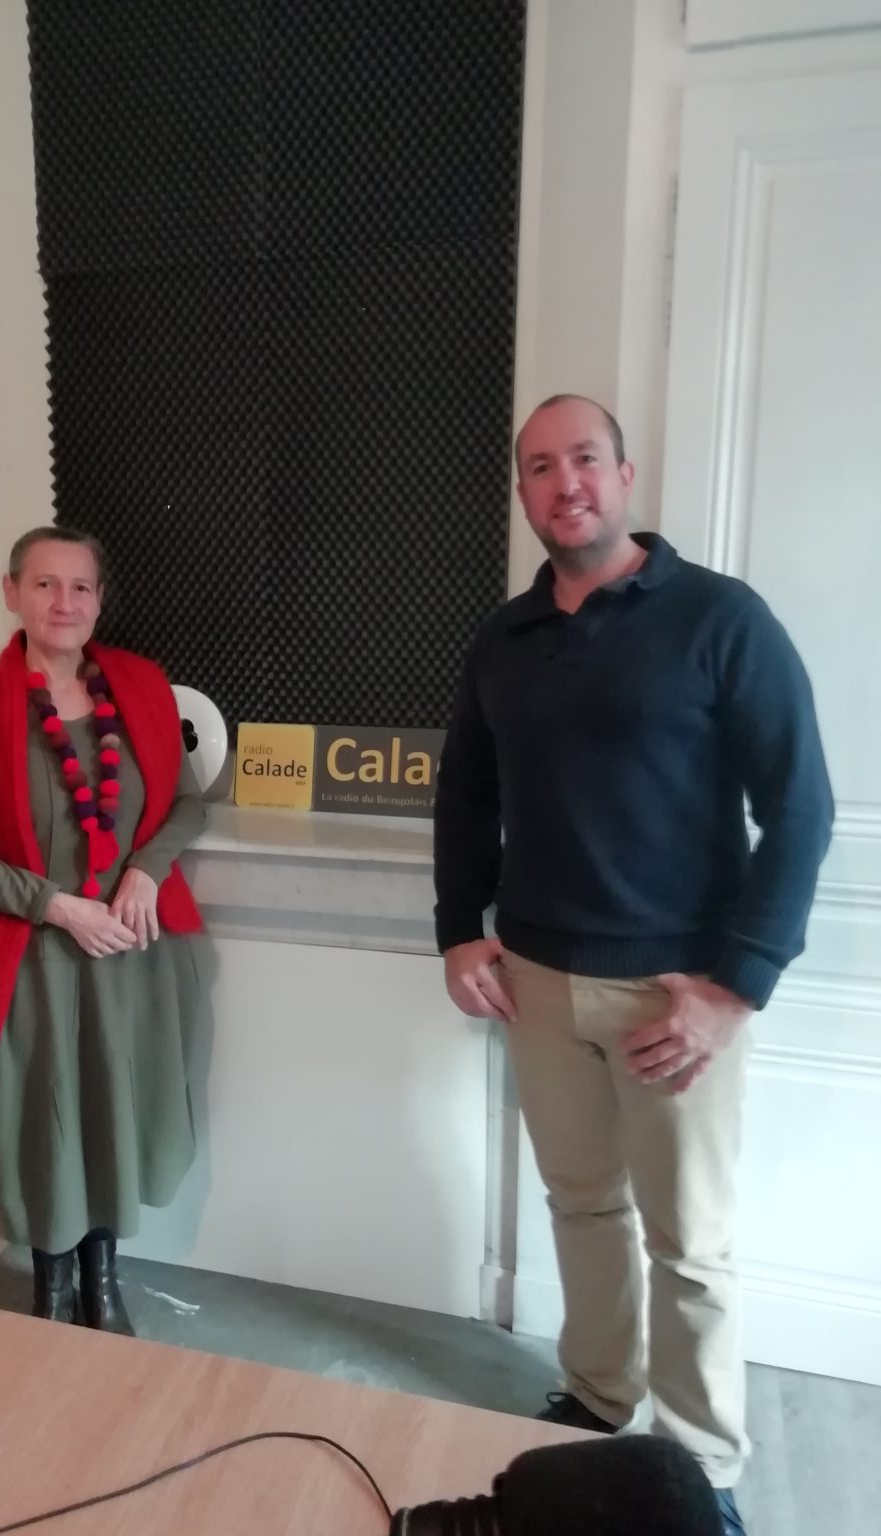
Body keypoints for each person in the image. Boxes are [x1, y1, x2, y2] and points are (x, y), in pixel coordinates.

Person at [433, 395, 834, 1536]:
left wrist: (735, 987)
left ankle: (702, 1465)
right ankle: (602, 1400)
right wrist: (459, 927)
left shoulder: (720, 618)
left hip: (673, 993)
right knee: (581, 1206)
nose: (565, 483)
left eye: (585, 460)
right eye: (540, 467)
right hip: (537, 979)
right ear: (524, 491)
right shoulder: (504, 639)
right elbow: (465, 793)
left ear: (625, 475)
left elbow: (801, 809)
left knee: (691, 1244)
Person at [0, 525, 208, 1334]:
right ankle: (49, 1285)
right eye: (45, 584)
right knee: (40, 1118)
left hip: (127, 959)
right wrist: (54, 905)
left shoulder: (142, 688)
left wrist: (145, 869)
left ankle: (101, 1277)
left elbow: (187, 804)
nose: (64, 602)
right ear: (11, 592)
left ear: (100, 600)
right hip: (28, 961)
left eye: (81, 586)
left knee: (112, 1109)